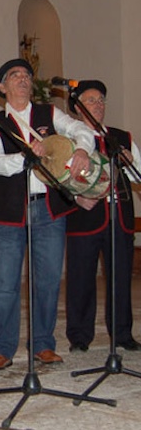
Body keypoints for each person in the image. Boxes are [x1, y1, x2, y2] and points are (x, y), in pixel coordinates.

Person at [0, 58, 94, 370]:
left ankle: (43, 344)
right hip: (9, 212)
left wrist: (82, 149)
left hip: (48, 207)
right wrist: (27, 156)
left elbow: (81, 128)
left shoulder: (48, 113)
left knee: (47, 281)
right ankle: (2, 347)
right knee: (5, 283)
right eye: (14, 75)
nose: (23, 78)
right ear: (2, 87)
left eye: (26, 74)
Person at [65, 80, 141, 352]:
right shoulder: (70, 140)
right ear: (76, 107)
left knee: (120, 277)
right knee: (81, 278)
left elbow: (137, 177)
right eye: (91, 100)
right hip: (84, 218)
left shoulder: (122, 136)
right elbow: (58, 179)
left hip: (119, 217)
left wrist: (130, 162)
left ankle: (122, 334)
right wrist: (75, 197)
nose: (99, 105)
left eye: (101, 100)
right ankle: (80, 336)